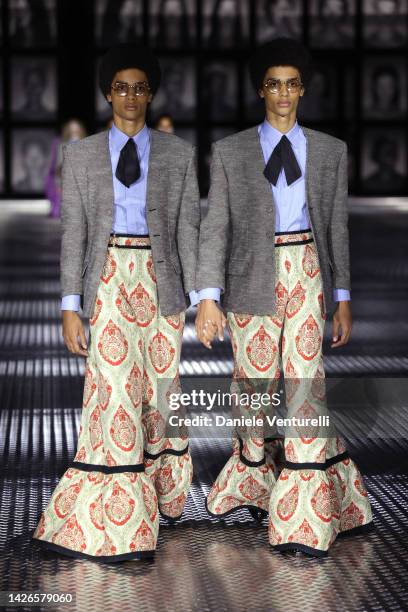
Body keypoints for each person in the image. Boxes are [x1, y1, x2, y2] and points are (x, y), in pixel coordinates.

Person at [194, 37, 374, 557]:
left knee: (305, 385)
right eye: (273, 84)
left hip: (307, 271)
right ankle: (253, 482)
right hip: (251, 276)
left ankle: (303, 515)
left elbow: (336, 228)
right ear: (260, 90)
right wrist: (209, 296)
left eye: (291, 84)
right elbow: (216, 227)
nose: (283, 93)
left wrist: (341, 296)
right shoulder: (230, 152)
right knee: (253, 387)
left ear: (302, 90)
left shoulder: (329, 151)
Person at [33, 43, 201, 562]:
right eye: (121, 87)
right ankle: (116, 526)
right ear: (109, 93)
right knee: (111, 392)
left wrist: (206, 298)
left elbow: (188, 227)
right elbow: (74, 233)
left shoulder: (178, 153)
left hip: (162, 285)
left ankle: (160, 501)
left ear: (150, 94)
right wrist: (69, 304)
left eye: (140, 87)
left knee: (158, 394)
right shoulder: (81, 155)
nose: (130, 96)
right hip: (106, 279)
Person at [46, 119, 87, 219]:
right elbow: (59, 163)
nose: (74, 129)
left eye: (76, 127)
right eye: (72, 127)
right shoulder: (62, 144)